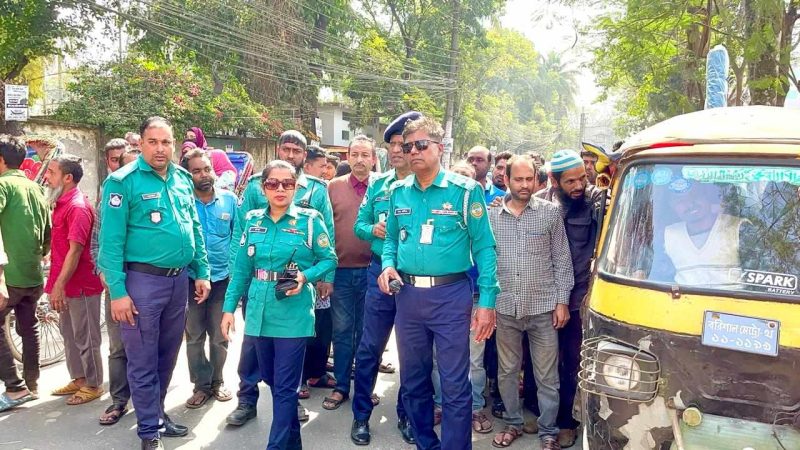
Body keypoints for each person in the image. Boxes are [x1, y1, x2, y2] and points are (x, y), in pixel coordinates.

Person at [378, 116, 499, 450]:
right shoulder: (398, 193)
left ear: (439, 149)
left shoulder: (465, 191)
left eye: (421, 144)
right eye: (407, 146)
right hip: (408, 297)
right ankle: (426, 444)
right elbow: (390, 240)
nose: (413, 151)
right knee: (414, 381)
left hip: (450, 296)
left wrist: (487, 302)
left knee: (454, 384)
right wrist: (388, 266)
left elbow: (485, 248)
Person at [98, 116, 211, 450]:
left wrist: (201, 270)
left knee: (166, 355)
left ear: (174, 144)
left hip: (178, 283)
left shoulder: (180, 178)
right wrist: (118, 293)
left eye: (166, 142)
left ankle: (157, 415)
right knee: (143, 358)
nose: (160, 149)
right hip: (141, 283)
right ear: (141, 144)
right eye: (153, 142)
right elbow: (110, 243)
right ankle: (149, 432)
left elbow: (194, 227)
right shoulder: (122, 182)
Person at [220, 160, 337, 449]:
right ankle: (292, 442)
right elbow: (241, 270)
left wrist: (306, 276)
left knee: (285, 388)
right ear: (264, 188)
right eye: (273, 184)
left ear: (296, 187)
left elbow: (329, 258)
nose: (280, 189)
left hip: (293, 312)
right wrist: (228, 309)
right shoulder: (253, 220)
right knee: (272, 380)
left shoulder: (310, 221)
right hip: (259, 310)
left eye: (287, 184)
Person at [490, 155, 573, 450]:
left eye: (529, 179)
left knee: (547, 376)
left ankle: (547, 431)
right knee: (507, 371)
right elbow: (486, 262)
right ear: (506, 180)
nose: (524, 185)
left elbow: (562, 260)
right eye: (518, 179)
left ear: (536, 179)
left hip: (543, 308)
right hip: (505, 307)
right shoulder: (491, 217)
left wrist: (562, 301)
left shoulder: (550, 214)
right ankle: (513, 423)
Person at [350, 112, 419, 445]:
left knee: (411, 353)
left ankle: (407, 416)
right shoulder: (379, 185)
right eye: (391, 144)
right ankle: (361, 415)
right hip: (379, 273)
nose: (396, 151)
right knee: (369, 349)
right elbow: (359, 226)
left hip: (414, 280)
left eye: (402, 145)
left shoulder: (426, 187)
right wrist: (372, 229)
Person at [535, 149, 605, 448]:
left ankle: (567, 420)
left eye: (582, 179)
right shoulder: (539, 202)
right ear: (553, 180)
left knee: (571, 360)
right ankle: (539, 415)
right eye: (571, 182)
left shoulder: (596, 204)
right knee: (540, 360)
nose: (579, 186)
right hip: (541, 295)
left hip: (577, 298)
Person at [44, 155, 105, 406]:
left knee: (86, 336)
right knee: (69, 333)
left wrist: (58, 285)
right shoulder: (61, 203)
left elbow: (76, 250)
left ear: (67, 178)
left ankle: (93, 383)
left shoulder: (77, 207)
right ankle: (79, 378)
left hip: (81, 284)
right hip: (65, 282)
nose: (46, 177)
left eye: (51, 172)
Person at [323, 136, 375, 412]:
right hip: (341, 272)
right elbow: (325, 231)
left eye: (365, 155)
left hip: (373, 272)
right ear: (347, 157)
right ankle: (342, 386)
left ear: (374, 159)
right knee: (342, 331)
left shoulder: (382, 188)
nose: (359, 160)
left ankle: (365, 389)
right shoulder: (333, 187)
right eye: (354, 154)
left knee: (368, 333)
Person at [181, 150, 238, 409]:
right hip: (190, 279)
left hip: (222, 279)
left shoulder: (229, 201)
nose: (203, 175)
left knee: (219, 334)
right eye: (196, 170)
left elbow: (238, 238)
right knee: (194, 336)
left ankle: (217, 381)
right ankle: (200, 386)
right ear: (187, 174)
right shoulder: (182, 202)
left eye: (206, 169)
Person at [0, 135, 50, 413]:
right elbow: (47, 230)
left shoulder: (2, 185)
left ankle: (14, 387)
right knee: (28, 328)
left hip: (9, 275)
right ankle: (31, 384)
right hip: (33, 273)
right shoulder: (35, 188)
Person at [94, 142, 139, 426]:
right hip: (116, 283)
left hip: (149, 281)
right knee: (119, 346)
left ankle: (153, 403)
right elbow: (96, 242)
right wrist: (107, 276)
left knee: (152, 345)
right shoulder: (110, 199)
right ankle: (119, 400)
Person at [466, 145, 507, 423]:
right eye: (471, 159)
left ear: (489, 164)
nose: (475, 163)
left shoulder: (500, 199)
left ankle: (476, 404)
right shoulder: (447, 198)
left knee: (478, 353)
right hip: (454, 287)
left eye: (480, 159)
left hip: (484, 289)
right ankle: (444, 402)